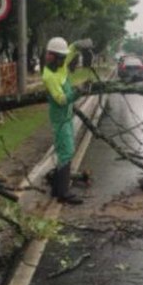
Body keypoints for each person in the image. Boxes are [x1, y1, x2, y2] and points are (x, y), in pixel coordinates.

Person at [42, 36, 92, 204]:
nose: (64, 61)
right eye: (61, 58)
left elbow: (71, 48)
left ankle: (57, 189)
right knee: (66, 152)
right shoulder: (49, 76)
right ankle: (63, 194)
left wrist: (80, 44)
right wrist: (78, 90)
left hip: (67, 117)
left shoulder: (60, 64)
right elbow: (61, 100)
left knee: (66, 151)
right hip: (60, 120)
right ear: (54, 57)